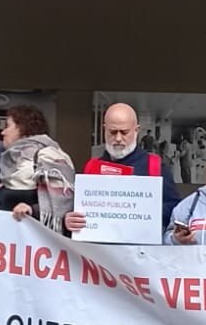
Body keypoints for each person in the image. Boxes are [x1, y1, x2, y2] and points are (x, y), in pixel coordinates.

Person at [64, 102, 180, 241]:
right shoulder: (91, 168)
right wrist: (69, 220)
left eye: (124, 132)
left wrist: (146, 211)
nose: (118, 138)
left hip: (140, 254)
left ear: (136, 130)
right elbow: (76, 211)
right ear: (104, 130)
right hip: (98, 255)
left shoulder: (155, 166)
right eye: (113, 132)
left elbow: (175, 209)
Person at [0, 104, 76, 233]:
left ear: (23, 128)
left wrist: (32, 210)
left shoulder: (49, 156)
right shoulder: (9, 161)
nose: (3, 132)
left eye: (7, 126)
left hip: (38, 243)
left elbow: (63, 205)